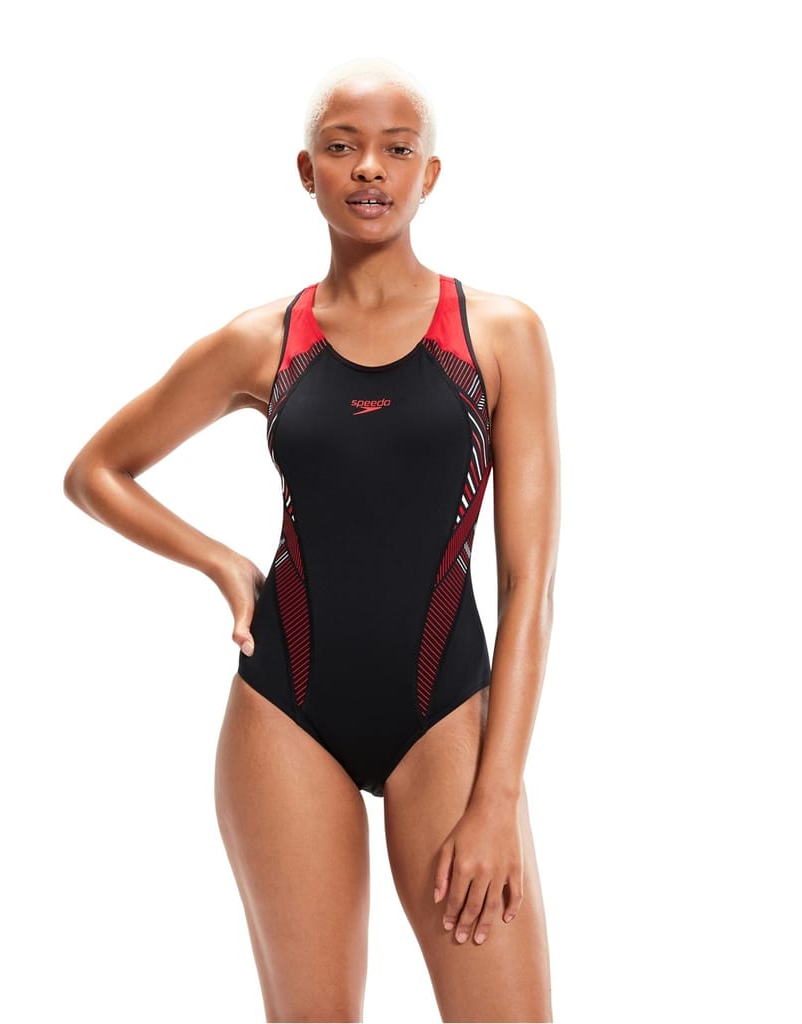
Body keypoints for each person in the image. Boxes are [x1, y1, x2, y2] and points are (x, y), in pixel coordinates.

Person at [64, 57, 561, 1024]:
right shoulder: (265, 340)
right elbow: (97, 472)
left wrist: (498, 797)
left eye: (396, 149)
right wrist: (222, 563)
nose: (369, 167)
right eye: (343, 147)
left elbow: (528, 582)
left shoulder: (500, 334)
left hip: (445, 717)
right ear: (308, 170)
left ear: (429, 174)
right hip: (286, 711)